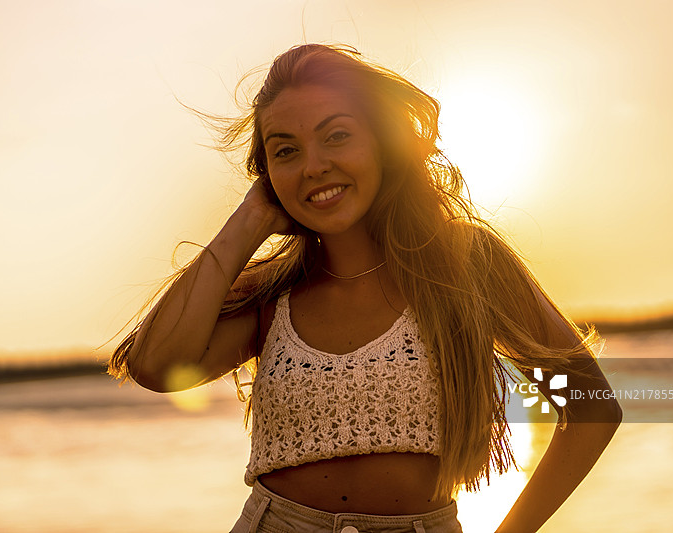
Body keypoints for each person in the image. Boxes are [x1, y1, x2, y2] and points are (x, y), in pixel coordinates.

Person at [108, 44, 622, 533]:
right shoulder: (272, 295)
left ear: (382, 141)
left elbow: (591, 407)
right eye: (285, 151)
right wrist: (248, 221)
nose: (313, 165)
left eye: (336, 136)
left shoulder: (468, 266)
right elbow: (154, 366)